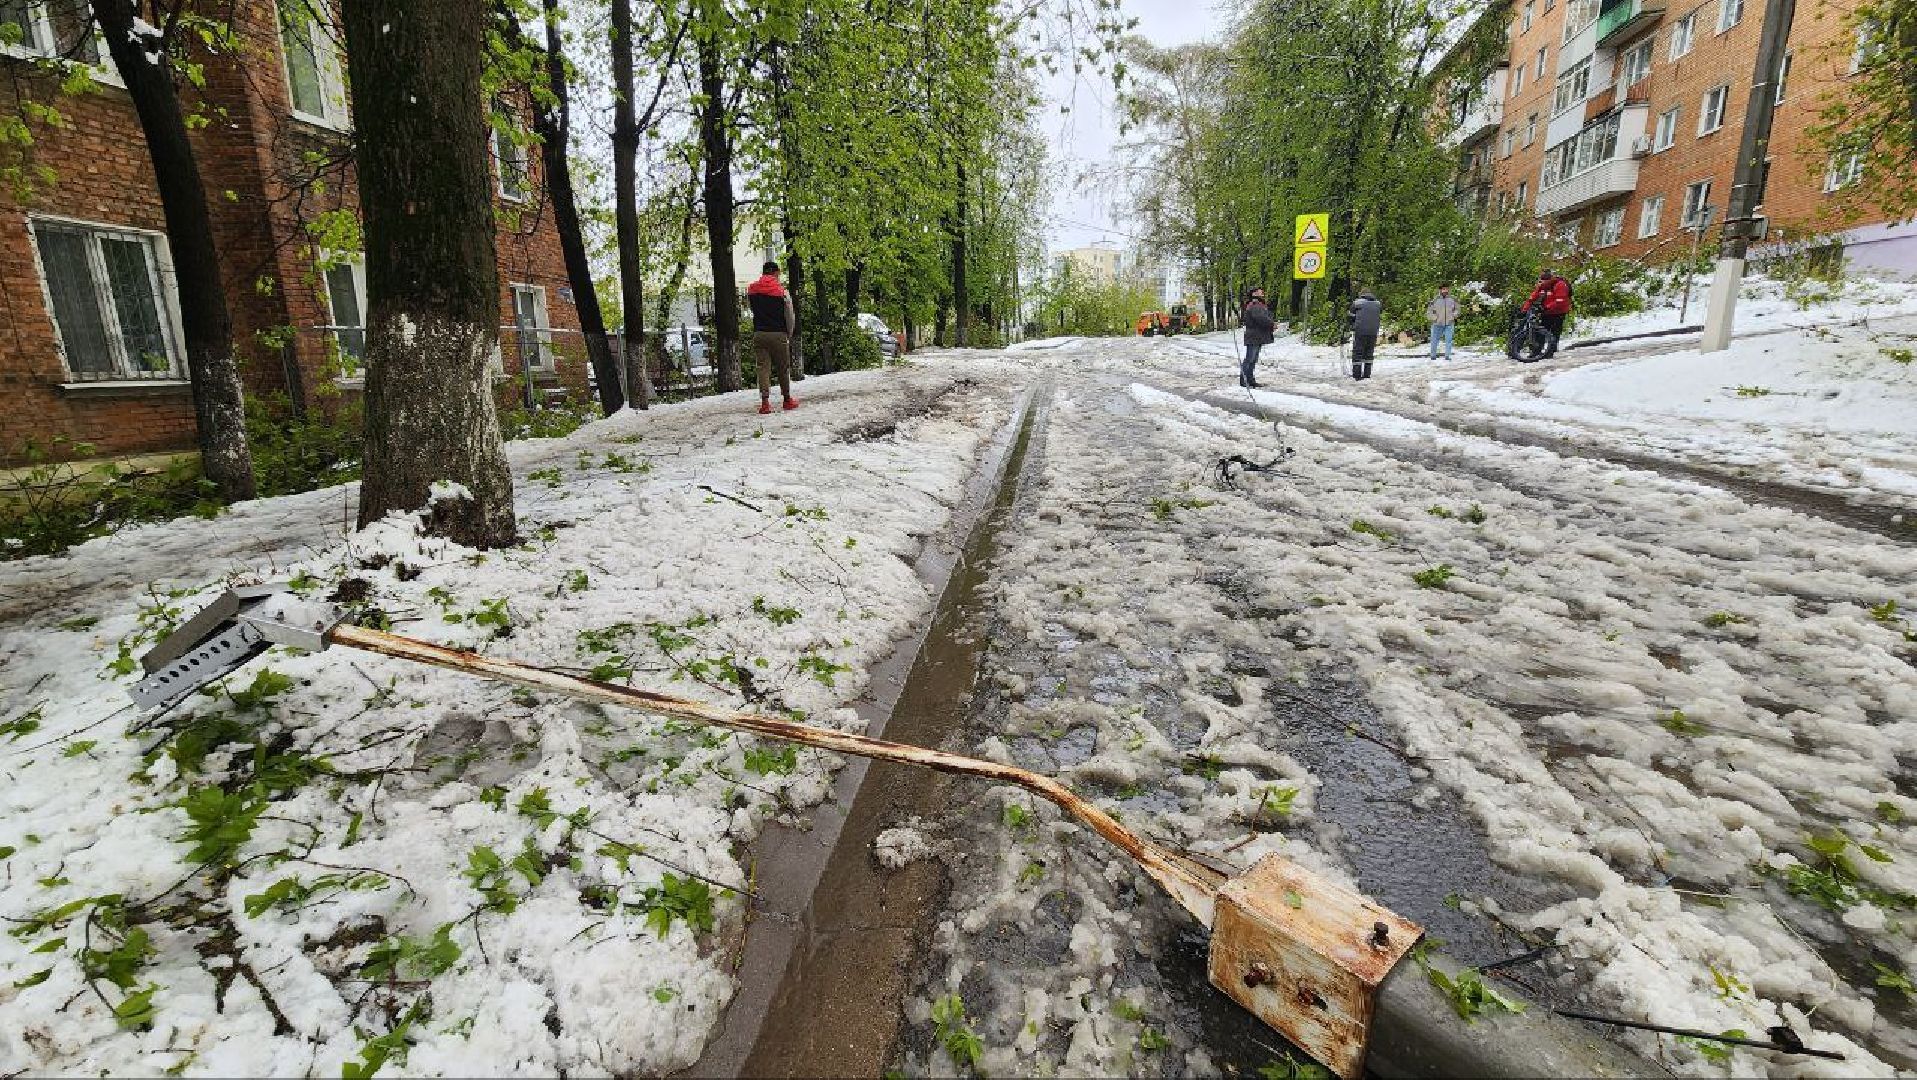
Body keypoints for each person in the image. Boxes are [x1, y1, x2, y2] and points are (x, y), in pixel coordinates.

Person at [745, 261, 799, 414]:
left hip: (759, 333)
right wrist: (788, 333)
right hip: (778, 333)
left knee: (763, 368)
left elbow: (752, 310)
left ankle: (765, 403)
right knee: (783, 367)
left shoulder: (752, 290)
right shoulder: (782, 292)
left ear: (763, 273)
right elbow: (790, 315)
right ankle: (787, 400)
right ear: (776, 273)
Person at [1520, 268, 1572, 358]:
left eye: (1544, 280)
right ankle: (1536, 351)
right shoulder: (1542, 286)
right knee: (1540, 331)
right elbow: (1532, 298)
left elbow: (1560, 301)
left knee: (1554, 332)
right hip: (1546, 312)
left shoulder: (1560, 285)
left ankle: (1550, 351)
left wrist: (1546, 307)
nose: (1542, 283)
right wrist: (1524, 310)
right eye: (1541, 280)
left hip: (1559, 312)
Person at [1240, 287, 1274, 388]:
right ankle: (1245, 381)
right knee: (1250, 359)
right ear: (1254, 294)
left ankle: (1250, 380)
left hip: (1256, 335)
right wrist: (1272, 324)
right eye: (1259, 291)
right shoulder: (1255, 305)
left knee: (1253, 359)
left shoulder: (1258, 304)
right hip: (1254, 335)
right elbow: (1261, 318)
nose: (1262, 292)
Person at [1347, 285, 1382, 380]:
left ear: (1361, 294)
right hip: (1373, 331)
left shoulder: (1357, 303)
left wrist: (1352, 326)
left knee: (1358, 352)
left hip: (1360, 331)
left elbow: (1350, 316)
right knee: (1369, 353)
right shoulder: (1378, 304)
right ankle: (1367, 374)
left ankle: (1357, 375)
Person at [1425, 285, 1459, 362]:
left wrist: (1454, 315)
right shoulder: (1435, 300)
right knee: (1434, 340)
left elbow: (1457, 309)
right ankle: (1433, 356)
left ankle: (1447, 356)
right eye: (1443, 289)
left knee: (1449, 340)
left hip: (1449, 323)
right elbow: (1429, 311)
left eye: (1446, 289)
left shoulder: (1452, 299)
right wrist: (1434, 318)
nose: (1445, 291)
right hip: (1437, 324)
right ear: (1440, 290)